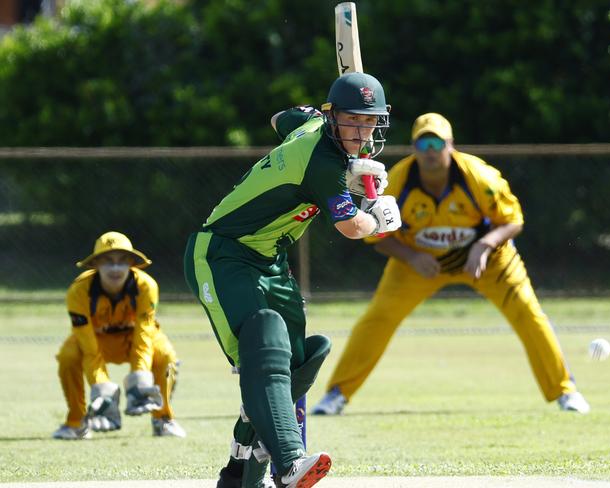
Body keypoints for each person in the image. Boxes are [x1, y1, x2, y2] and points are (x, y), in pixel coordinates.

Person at [183, 72, 401, 488]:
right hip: (223, 252)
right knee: (265, 337)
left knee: (302, 358)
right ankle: (288, 463)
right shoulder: (323, 163)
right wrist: (375, 216)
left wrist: (345, 159)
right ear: (333, 116)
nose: (362, 133)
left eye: (370, 123)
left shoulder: (314, 125)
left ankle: (241, 474)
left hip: (271, 259)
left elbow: (278, 117)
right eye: (353, 121)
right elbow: (350, 228)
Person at [312, 112, 591, 417]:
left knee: (529, 314)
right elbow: (377, 235)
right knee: (377, 320)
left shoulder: (480, 177)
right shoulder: (397, 181)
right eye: (423, 143)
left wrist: (484, 246)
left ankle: (565, 391)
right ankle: (336, 394)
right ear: (414, 148)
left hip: (488, 261)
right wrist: (412, 257)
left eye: (437, 142)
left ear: (451, 145)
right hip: (419, 262)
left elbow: (512, 221)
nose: (430, 150)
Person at [52, 231, 186, 440]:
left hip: (135, 340)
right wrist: (101, 388)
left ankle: (163, 420)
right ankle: (77, 423)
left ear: (132, 263)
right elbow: (88, 345)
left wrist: (139, 380)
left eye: (122, 262)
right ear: (95, 264)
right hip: (97, 342)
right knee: (68, 356)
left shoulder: (146, 286)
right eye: (107, 262)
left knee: (167, 357)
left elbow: (144, 334)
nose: (115, 268)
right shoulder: (78, 291)